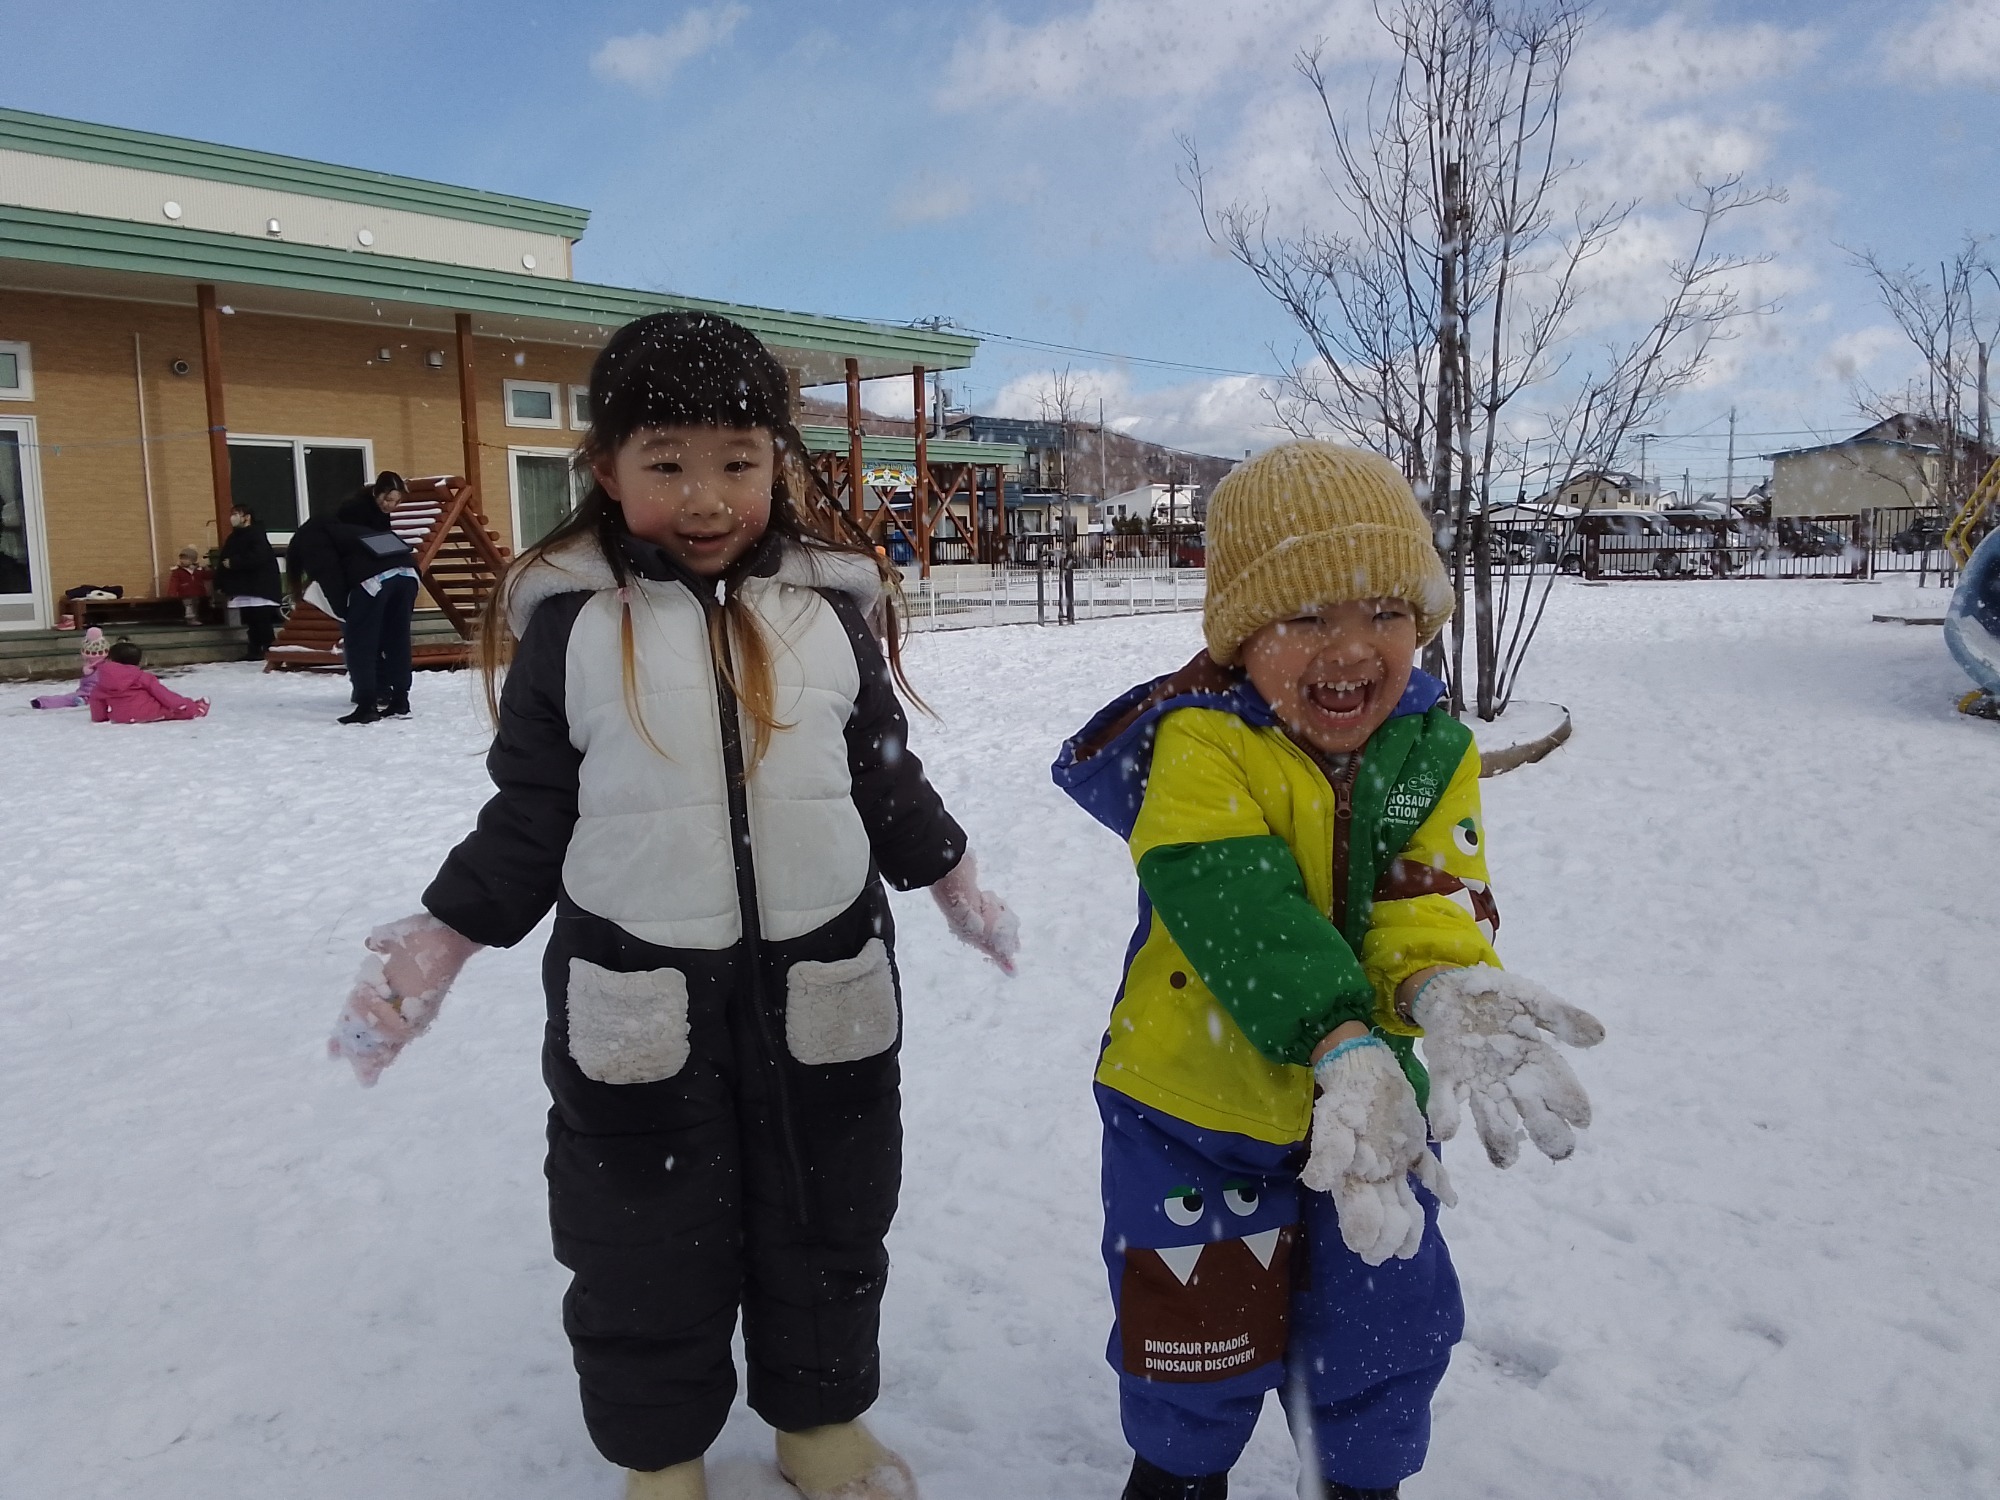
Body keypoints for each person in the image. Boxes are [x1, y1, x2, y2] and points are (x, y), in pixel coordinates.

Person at [324, 312, 1021, 1500]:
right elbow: (530, 812)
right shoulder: (574, 631)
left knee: (829, 1212)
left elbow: (882, 772)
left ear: (777, 466)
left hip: (827, 980)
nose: (704, 498)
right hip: (634, 989)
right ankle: (661, 1456)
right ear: (605, 472)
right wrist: (440, 939)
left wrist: (948, 874)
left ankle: (819, 1424)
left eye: (737, 464)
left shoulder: (826, 614)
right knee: (637, 1238)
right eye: (665, 464)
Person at [1051, 442, 1604, 1500]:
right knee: (1193, 1340)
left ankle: (1359, 1486)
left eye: (1385, 612)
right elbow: (1233, 907)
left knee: (1379, 1330)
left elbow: (1426, 896)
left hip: (1373, 1120)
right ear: (1238, 634)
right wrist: (1333, 1031)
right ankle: (1174, 1481)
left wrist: (1440, 987)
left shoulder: (1426, 748)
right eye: (1305, 616)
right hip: (1193, 1109)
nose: (1350, 649)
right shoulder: (1199, 745)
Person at [287, 471, 420, 723]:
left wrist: (346, 611)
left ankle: (367, 706)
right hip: (408, 572)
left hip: (374, 578)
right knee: (397, 638)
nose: (390, 506)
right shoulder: (352, 527)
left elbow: (330, 575)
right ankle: (400, 700)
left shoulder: (312, 538)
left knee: (360, 643)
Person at [214, 503, 285, 661]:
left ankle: (269, 648)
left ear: (247, 517)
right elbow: (223, 560)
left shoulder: (256, 535)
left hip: (259, 587)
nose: (233, 517)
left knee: (261, 620)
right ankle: (254, 650)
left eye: (237, 513)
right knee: (251, 621)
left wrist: (235, 562)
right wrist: (220, 583)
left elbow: (258, 556)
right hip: (245, 587)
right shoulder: (234, 537)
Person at [90, 638, 209, 723]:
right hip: (149, 712)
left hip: (121, 716)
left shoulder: (103, 681)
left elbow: (96, 700)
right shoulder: (141, 676)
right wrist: (181, 704)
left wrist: (100, 718)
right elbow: (163, 694)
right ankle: (197, 709)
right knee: (174, 711)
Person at [31, 626, 109, 708]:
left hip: (91, 692)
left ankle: (43, 702)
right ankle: (44, 702)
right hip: (97, 692)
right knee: (75, 697)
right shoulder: (106, 665)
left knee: (68, 699)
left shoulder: (90, 667)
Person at [165, 545, 212, 623]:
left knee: (196, 605)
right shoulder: (178, 571)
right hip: (185, 592)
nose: (182, 560)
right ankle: (190, 618)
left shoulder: (199, 570)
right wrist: (172, 592)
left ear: (192, 560)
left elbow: (207, 576)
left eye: (185, 559)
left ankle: (195, 618)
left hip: (197, 591)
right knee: (188, 605)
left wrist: (209, 571)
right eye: (181, 558)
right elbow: (174, 582)